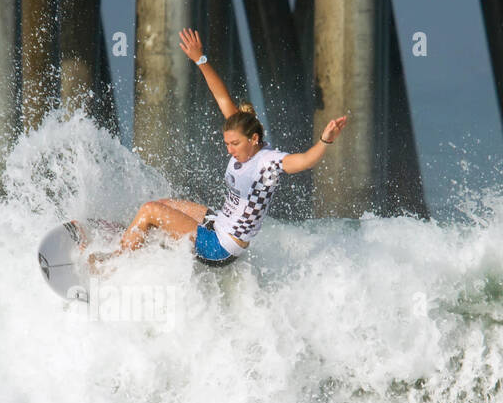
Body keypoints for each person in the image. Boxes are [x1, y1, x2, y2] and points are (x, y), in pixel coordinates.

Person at [93, 27, 348, 270]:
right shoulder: (241, 128)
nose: (229, 150)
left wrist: (325, 140)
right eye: (227, 143)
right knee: (161, 205)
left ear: (254, 139)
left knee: (150, 210)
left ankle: (115, 265)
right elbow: (222, 97)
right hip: (217, 223)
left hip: (221, 247)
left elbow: (304, 160)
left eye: (234, 144)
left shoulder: (267, 163)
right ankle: (130, 241)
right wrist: (200, 58)